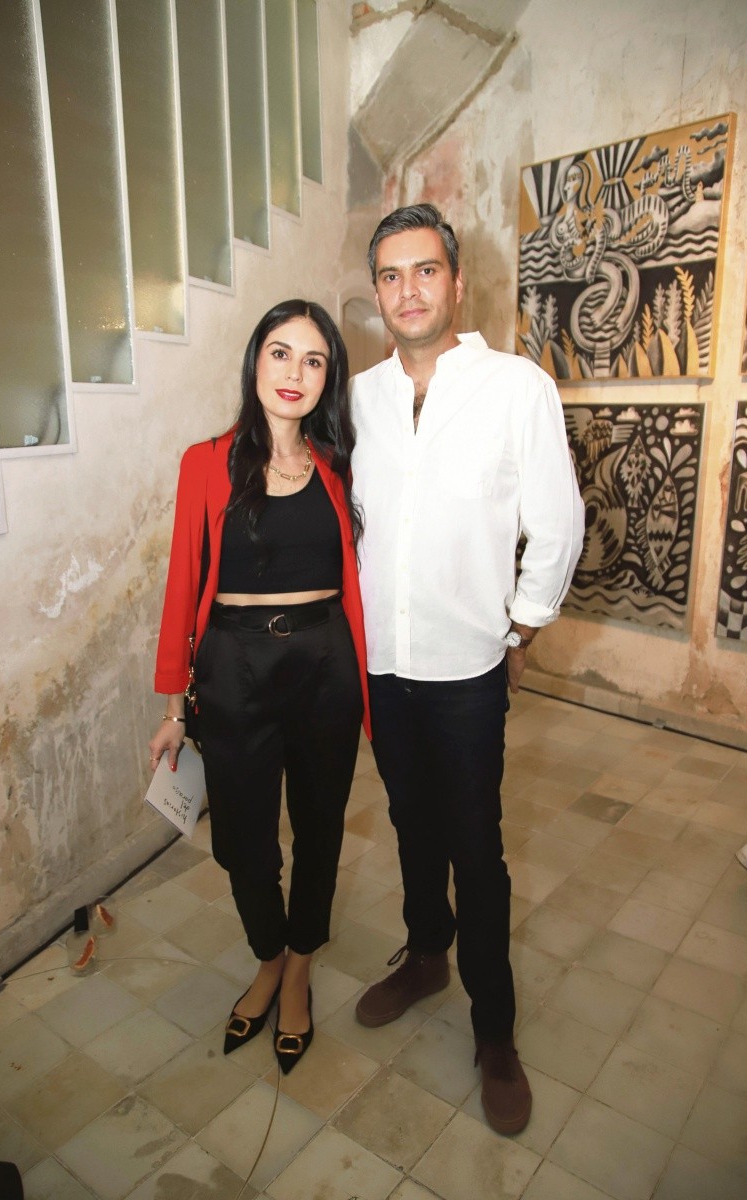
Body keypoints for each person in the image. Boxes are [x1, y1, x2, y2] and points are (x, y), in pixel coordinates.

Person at [350, 204, 584, 1134]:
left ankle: (495, 1029)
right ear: (377, 293)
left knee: (476, 848)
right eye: (391, 275)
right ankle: (425, 955)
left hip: (466, 668)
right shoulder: (359, 398)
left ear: (457, 280)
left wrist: (521, 630)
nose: (408, 290)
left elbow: (557, 523)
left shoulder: (516, 387)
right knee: (410, 824)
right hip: (383, 663)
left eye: (425, 270)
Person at [149, 299, 370, 1074]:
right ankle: (268, 955)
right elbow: (183, 585)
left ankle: (299, 965)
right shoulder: (205, 462)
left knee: (320, 829)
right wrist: (174, 707)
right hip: (233, 667)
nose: (295, 373)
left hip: (325, 664)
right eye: (281, 353)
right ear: (255, 362)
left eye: (314, 360)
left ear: (328, 378)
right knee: (244, 842)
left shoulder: (338, 467)